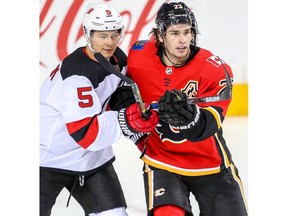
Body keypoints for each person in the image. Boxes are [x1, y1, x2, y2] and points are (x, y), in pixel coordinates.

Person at [125, 2, 248, 216]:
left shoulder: (214, 68)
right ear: (160, 36)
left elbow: (210, 124)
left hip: (210, 164)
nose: (183, 40)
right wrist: (130, 122)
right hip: (162, 161)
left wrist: (190, 119)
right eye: (174, 33)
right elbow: (122, 90)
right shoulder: (139, 56)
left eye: (187, 32)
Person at [39, 2, 158, 216]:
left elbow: (118, 97)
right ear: (88, 34)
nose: (109, 42)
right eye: (102, 36)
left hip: (90, 159)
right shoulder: (77, 75)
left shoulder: (117, 59)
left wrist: (141, 133)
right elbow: (87, 134)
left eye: (115, 35)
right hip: (46, 158)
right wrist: (129, 120)